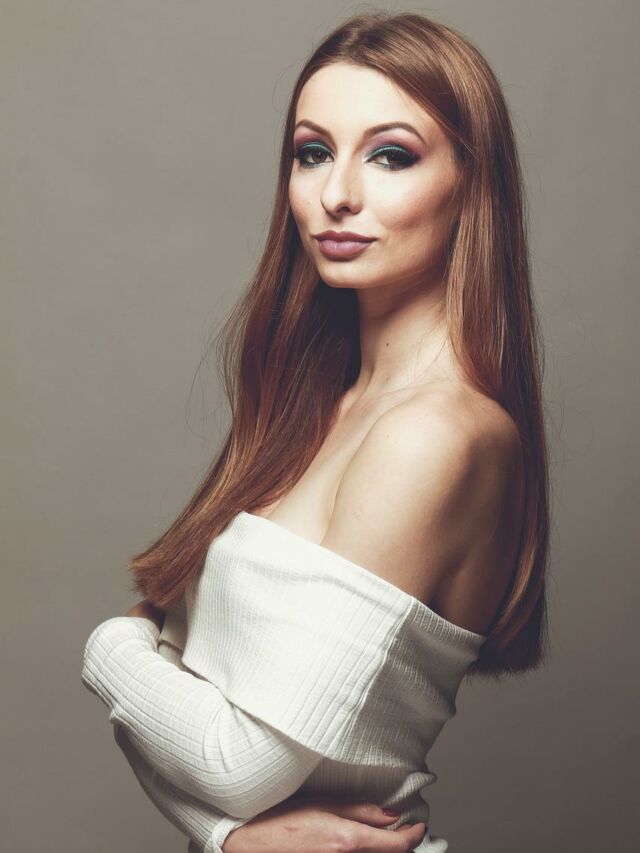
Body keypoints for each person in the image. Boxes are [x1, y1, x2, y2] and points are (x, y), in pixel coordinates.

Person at [81, 10, 549, 853]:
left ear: (470, 182)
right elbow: (189, 742)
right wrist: (226, 834)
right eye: (313, 152)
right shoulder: (318, 410)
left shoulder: (436, 433)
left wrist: (108, 645)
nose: (337, 193)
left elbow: (232, 762)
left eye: (391, 155)